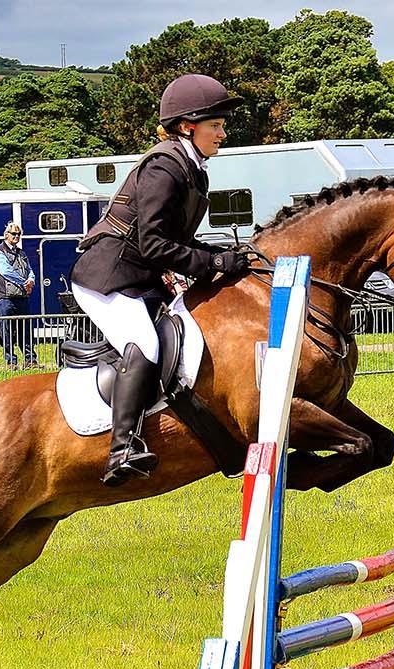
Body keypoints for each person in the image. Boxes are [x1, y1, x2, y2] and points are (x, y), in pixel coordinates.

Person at [70, 73, 252, 486]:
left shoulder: (191, 168)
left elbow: (177, 240)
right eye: (216, 126)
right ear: (188, 126)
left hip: (140, 276)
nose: (223, 134)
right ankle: (122, 449)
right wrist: (211, 264)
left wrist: (223, 257)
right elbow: (154, 244)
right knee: (146, 342)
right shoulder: (164, 168)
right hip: (108, 276)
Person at [0, 221, 38, 369]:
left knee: (25, 330)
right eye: (14, 234)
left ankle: (30, 360)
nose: (17, 236)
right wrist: (25, 282)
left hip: (22, 297)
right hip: (6, 297)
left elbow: (30, 270)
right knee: (7, 330)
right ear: (6, 235)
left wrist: (31, 280)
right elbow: (5, 271)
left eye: (19, 234)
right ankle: (11, 362)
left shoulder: (22, 253)